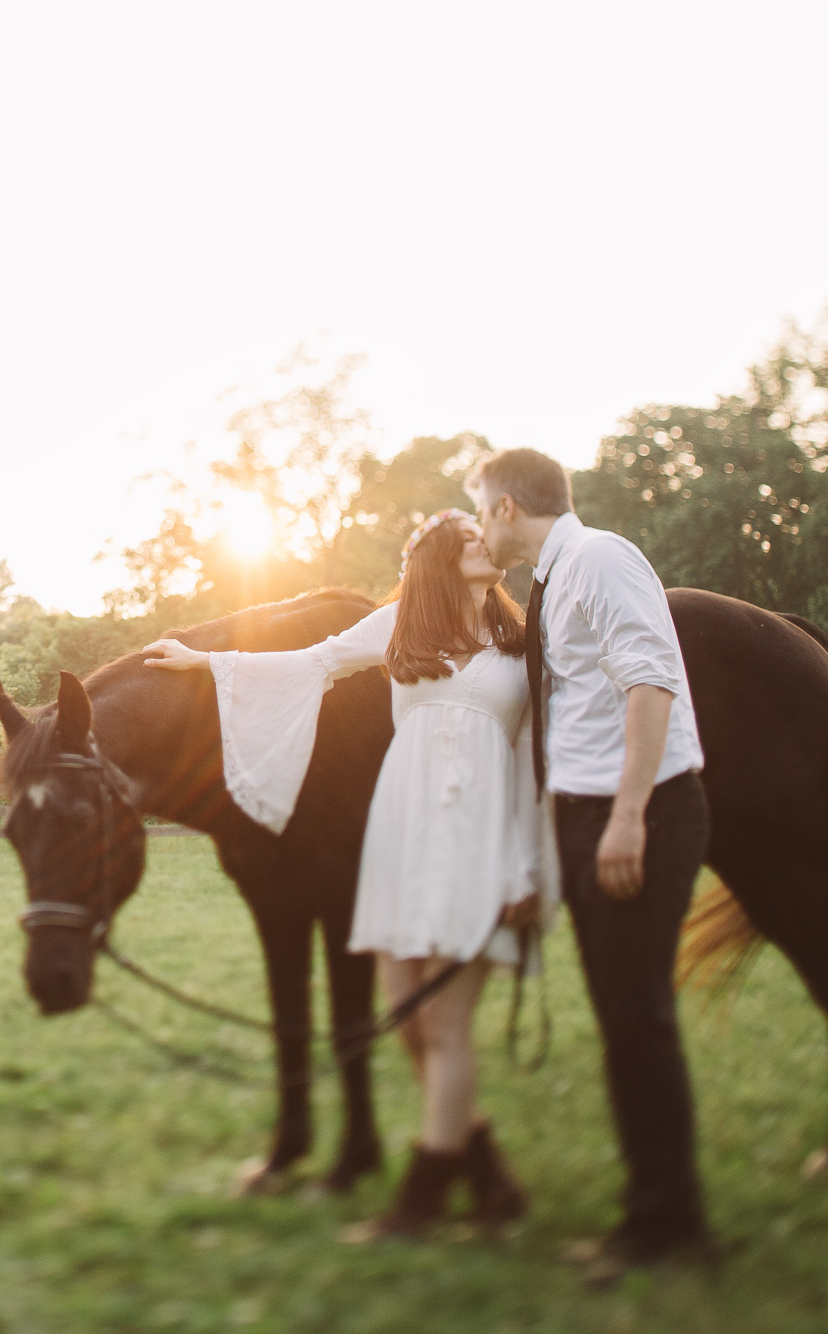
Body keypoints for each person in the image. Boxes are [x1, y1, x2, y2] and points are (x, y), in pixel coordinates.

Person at [142, 510, 558, 1239]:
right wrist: (206, 662)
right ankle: (489, 1177)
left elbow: (533, 761)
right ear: (438, 560)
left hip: (479, 840)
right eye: (469, 539)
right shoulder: (401, 627)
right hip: (401, 834)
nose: (487, 544)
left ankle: (421, 1201)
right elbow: (311, 661)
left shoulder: (522, 643)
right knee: (405, 1018)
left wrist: (527, 866)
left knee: (444, 1022)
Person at [467, 447, 716, 1284]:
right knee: (622, 1017)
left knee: (637, 1015)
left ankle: (667, 1222)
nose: (479, 525)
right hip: (587, 817)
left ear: (507, 507)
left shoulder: (601, 558)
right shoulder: (554, 578)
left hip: (636, 812)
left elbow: (651, 682)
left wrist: (629, 815)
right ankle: (656, 1210)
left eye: (481, 508)